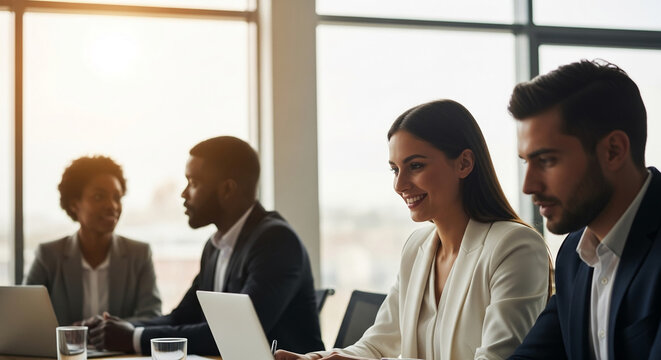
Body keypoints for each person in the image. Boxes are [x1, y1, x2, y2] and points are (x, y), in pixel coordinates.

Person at [277, 99, 550, 360]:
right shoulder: (417, 247)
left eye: (415, 166)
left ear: (464, 163)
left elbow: (496, 358)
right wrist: (312, 359)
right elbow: (376, 345)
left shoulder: (515, 246)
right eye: (395, 169)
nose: (400, 184)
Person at [86, 136, 324, 355]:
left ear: (227, 189)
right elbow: (181, 317)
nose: (183, 194)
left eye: (193, 182)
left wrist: (133, 338)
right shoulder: (215, 247)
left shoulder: (276, 242)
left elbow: (234, 335)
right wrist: (115, 329)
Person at [508, 60, 661, 359]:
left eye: (547, 160)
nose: (528, 185)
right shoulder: (573, 255)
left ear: (613, 151)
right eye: (526, 162)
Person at [25, 155, 162, 326]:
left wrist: (111, 330)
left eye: (117, 198)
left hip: (121, 353)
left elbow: (152, 315)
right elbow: (27, 316)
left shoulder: (139, 254)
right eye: (99, 197)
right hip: (66, 352)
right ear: (75, 204)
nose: (112, 206)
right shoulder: (48, 256)